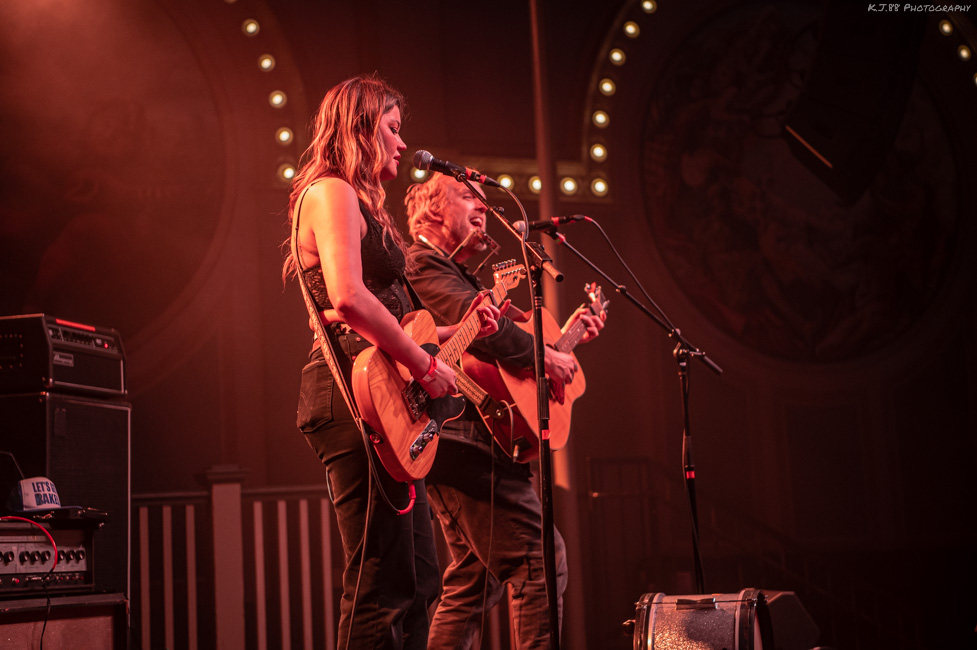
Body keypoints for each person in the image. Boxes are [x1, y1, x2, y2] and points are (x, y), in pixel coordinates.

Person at [282, 75, 503, 650]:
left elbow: (396, 318)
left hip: (386, 393)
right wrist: (427, 369)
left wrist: (462, 329)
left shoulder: (360, 202)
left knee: (420, 579)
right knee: (381, 583)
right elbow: (350, 298)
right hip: (351, 393)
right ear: (360, 126)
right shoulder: (329, 192)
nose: (403, 144)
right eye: (393, 128)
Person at [404, 172, 605, 648]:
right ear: (433, 210)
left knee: (475, 579)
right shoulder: (422, 264)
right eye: (469, 197)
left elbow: (509, 354)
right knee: (540, 559)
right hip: (463, 437)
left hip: (476, 436)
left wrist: (565, 338)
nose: (483, 207)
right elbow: (484, 330)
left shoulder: (454, 271)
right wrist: (545, 355)